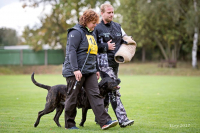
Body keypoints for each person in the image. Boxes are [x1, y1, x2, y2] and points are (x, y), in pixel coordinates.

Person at [62, 9, 118, 130]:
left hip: (90, 70)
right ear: (86, 21)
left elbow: (93, 52)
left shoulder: (91, 33)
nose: (95, 25)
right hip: (75, 71)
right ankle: (69, 124)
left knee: (96, 95)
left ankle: (105, 121)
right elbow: (71, 51)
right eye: (93, 22)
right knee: (73, 97)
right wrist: (75, 69)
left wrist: (96, 68)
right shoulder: (75, 32)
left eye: (96, 22)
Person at [94, 3, 134, 128]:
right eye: (109, 12)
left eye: (112, 12)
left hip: (116, 63)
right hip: (103, 64)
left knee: (106, 91)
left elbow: (125, 39)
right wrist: (106, 46)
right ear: (102, 13)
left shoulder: (118, 26)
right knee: (114, 90)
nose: (111, 14)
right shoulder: (97, 28)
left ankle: (100, 117)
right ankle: (123, 119)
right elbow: (92, 46)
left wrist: (129, 43)